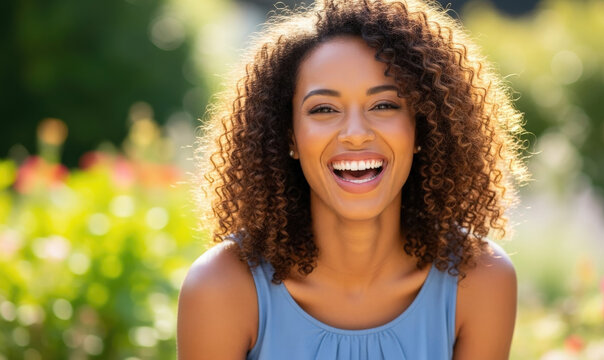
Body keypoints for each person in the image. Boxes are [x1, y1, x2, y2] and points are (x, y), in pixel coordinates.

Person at [177, 0, 528, 359]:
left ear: (423, 128)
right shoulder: (222, 288)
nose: (356, 134)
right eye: (324, 109)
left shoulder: (480, 281)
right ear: (288, 137)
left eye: (384, 105)